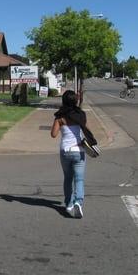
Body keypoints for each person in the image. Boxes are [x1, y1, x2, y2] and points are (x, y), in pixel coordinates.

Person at [50, 90, 86, 218]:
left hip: (65, 151)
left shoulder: (60, 117)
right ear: (75, 101)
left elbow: (53, 134)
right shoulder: (81, 115)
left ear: (63, 101)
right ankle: (78, 202)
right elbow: (84, 130)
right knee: (79, 179)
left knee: (68, 178)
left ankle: (69, 204)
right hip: (79, 150)